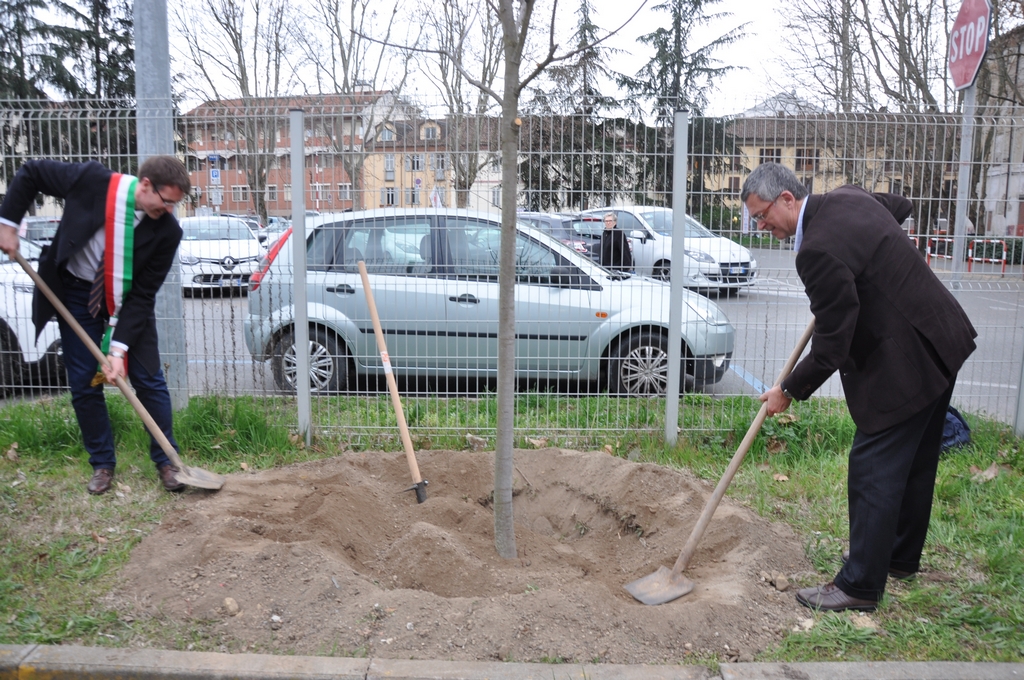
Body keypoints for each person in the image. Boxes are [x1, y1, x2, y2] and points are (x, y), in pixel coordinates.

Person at [741, 163, 976, 612]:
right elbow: (900, 207)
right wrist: (871, 254)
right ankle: (899, 558)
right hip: (943, 338)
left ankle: (859, 586)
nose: (760, 225)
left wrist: (787, 390)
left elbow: (833, 343)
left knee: (874, 468)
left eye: (761, 214)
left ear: (787, 200)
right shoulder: (850, 198)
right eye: (755, 218)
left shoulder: (816, 250)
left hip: (906, 364)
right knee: (915, 462)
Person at [0, 156, 192, 496]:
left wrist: (118, 350)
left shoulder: (167, 231)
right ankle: (102, 463)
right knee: (84, 381)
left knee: (149, 380)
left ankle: (166, 461)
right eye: (167, 202)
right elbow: (31, 172)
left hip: (128, 302)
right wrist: (7, 224)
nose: (171, 210)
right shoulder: (91, 181)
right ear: (146, 185)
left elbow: (144, 294)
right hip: (76, 293)